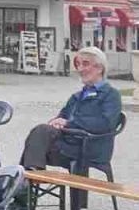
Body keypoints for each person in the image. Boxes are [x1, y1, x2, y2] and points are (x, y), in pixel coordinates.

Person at [16, 47, 122, 176]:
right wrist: (56, 122)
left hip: (90, 147)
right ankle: (30, 175)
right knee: (36, 141)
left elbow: (106, 123)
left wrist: (68, 123)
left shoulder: (111, 95)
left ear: (99, 68)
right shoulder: (77, 96)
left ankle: (28, 178)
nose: (80, 69)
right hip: (70, 144)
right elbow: (62, 116)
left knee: (39, 135)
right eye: (78, 64)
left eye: (85, 64)